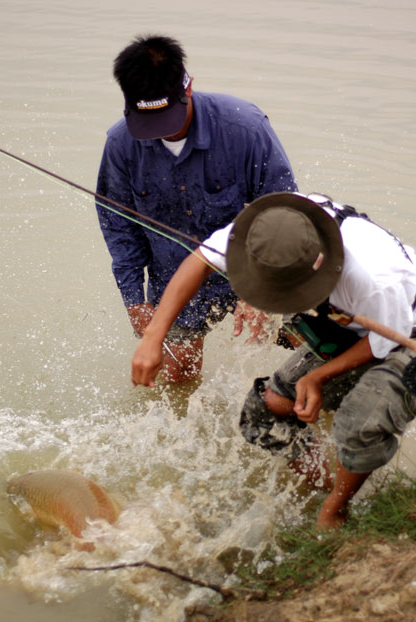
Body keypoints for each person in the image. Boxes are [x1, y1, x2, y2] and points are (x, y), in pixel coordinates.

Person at [131, 191, 416, 528]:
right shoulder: (268, 232)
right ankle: (332, 485)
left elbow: (384, 342)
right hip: (353, 331)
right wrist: (154, 336)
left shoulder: (376, 276)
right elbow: (200, 259)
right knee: (265, 410)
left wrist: (316, 378)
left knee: (358, 421)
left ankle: (335, 512)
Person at [96, 34, 296, 384]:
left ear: (187, 88)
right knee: (177, 381)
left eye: (166, 119)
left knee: (309, 343)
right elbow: (118, 225)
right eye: (148, 123)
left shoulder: (245, 127)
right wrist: (134, 299)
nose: (160, 133)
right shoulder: (120, 145)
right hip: (174, 280)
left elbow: (284, 213)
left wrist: (264, 291)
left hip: (248, 270)